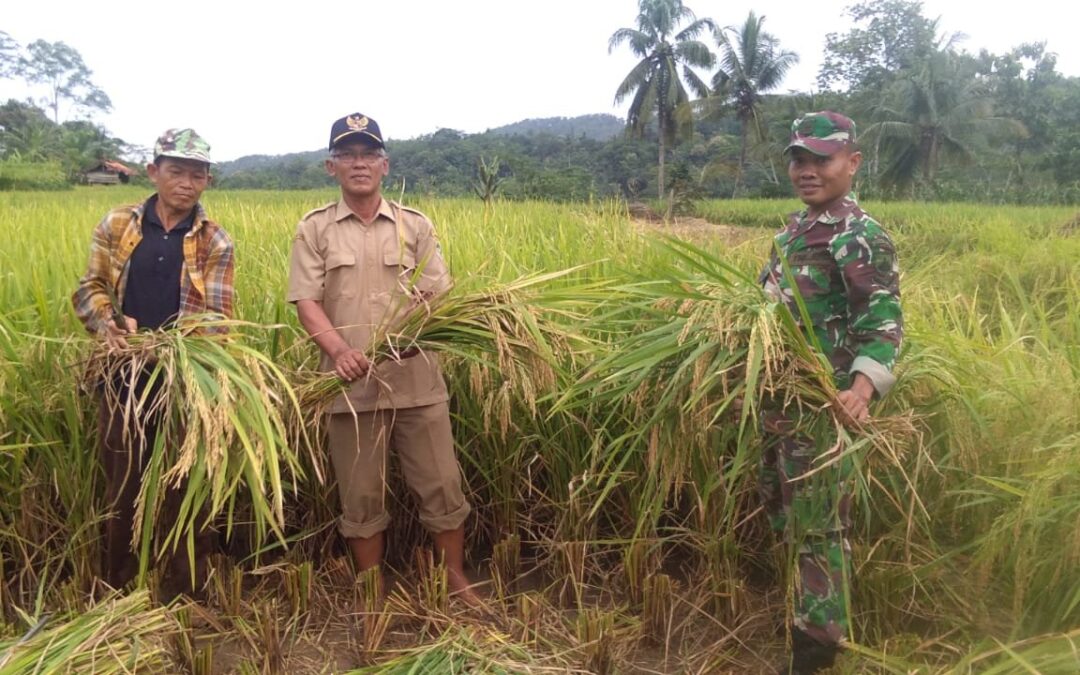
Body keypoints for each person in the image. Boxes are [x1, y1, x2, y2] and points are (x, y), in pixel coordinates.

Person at [287, 113, 477, 603]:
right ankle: (372, 588)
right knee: (361, 495)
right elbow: (307, 301)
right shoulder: (315, 230)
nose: (358, 163)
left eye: (368, 154)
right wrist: (339, 351)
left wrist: (421, 323)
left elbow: (439, 293)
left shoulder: (415, 225)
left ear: (384, 164)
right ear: (331, 166)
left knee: (441, 484)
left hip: (417, 381)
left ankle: (455, 579)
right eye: (347, 154)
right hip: (350, 389)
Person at [757, 111, 903, 673]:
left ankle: (817, 648)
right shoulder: (792, 233)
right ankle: (799, 610)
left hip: (823, 410)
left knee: (818, 528)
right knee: (784, 515)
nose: (807, 170)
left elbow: (884, 319)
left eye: (822, 158)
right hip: (777, 405)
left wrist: (862, 389)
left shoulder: (859, 235)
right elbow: (764, 311)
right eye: (799, 159)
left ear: (852, 163)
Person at [72, 128, 234, 593]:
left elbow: (219, 318)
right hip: (123, 379)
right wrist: (109, 327)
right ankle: (117, 589)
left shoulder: (215, 240)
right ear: (154, 171)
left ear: (206, 181)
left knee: (189, 488)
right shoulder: (118, 224)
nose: (186, 182)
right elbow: (90, 288)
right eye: (176, 171)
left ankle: (184, 592)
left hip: (187, 383)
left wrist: (176, 349)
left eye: (197, 174)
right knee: (123, 489)